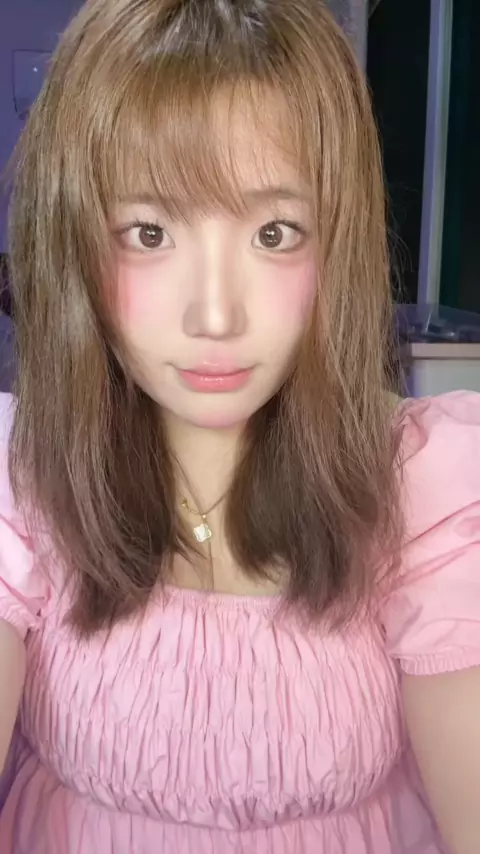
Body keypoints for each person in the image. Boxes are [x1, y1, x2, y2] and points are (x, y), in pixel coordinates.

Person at [0, 0, 479, 852]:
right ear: (73, 244)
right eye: (149, 232)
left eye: (274, 233)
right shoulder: (18, 486)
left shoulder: (428, 494)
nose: (215, 316)